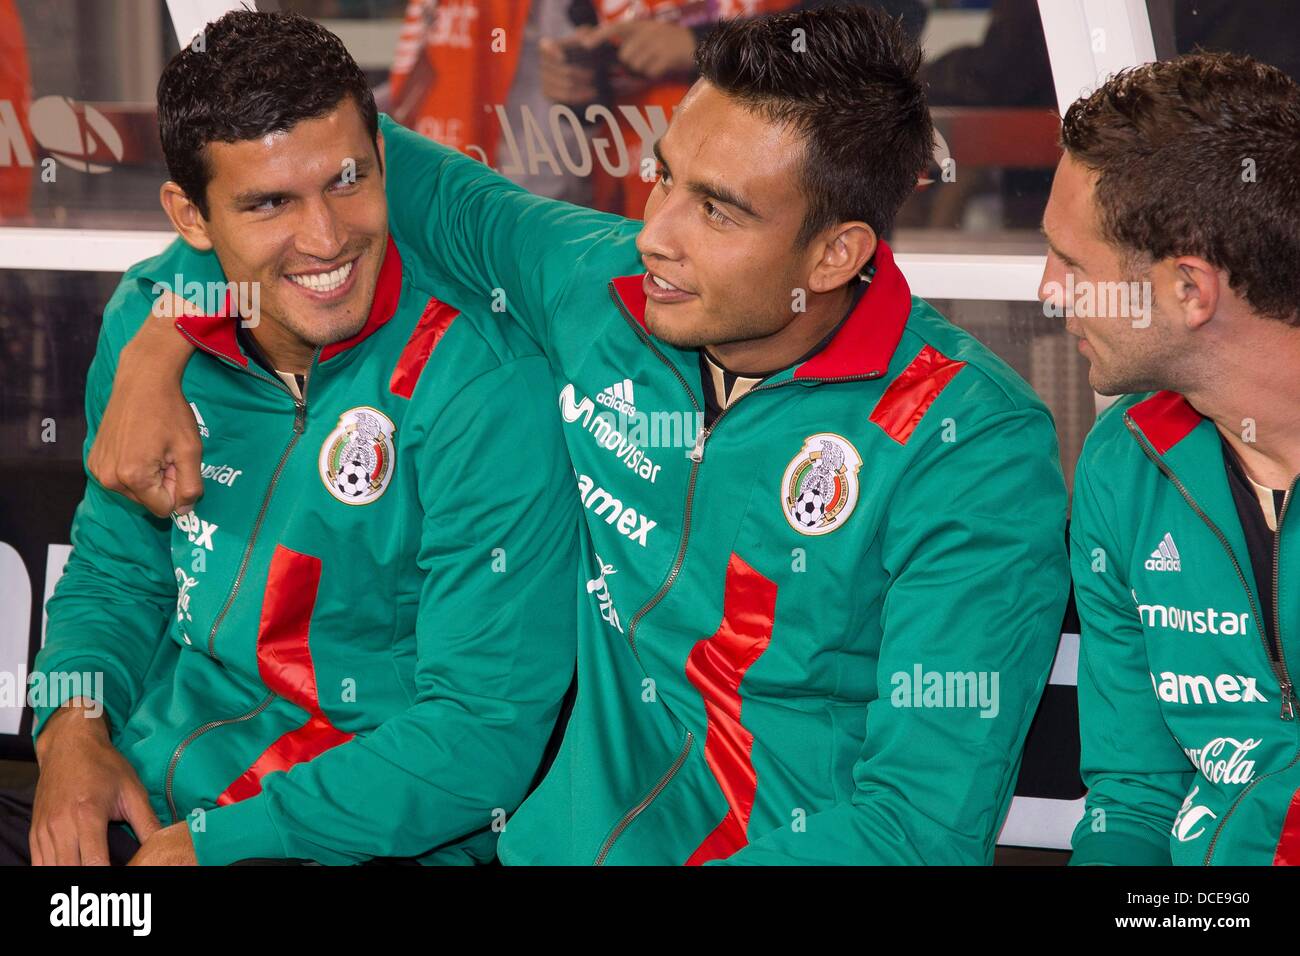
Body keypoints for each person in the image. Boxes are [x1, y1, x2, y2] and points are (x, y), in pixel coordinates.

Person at [92, 6, 1068, 864]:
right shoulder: (594, 285)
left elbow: (916, 829)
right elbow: (286, 170)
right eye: (665, 178)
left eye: (717, 210)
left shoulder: (970, 447)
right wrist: (164, 334)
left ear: (836, 251)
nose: (657, 233)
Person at [10, 11, 578, 866]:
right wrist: (70, 732)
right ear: (190, 218)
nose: (327, 239)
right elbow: (113, 576)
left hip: (355, 841)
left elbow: (480, 737)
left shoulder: (485, 383)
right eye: (269, 202)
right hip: (149, 803)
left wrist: (215, 847)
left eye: (348, 181)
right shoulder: (151, 323)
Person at [1038, 53, 1300, 865]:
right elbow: (1135, 797)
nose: (1049, 290)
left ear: (1190, 288)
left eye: (1073, 263)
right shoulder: (1125, 463)